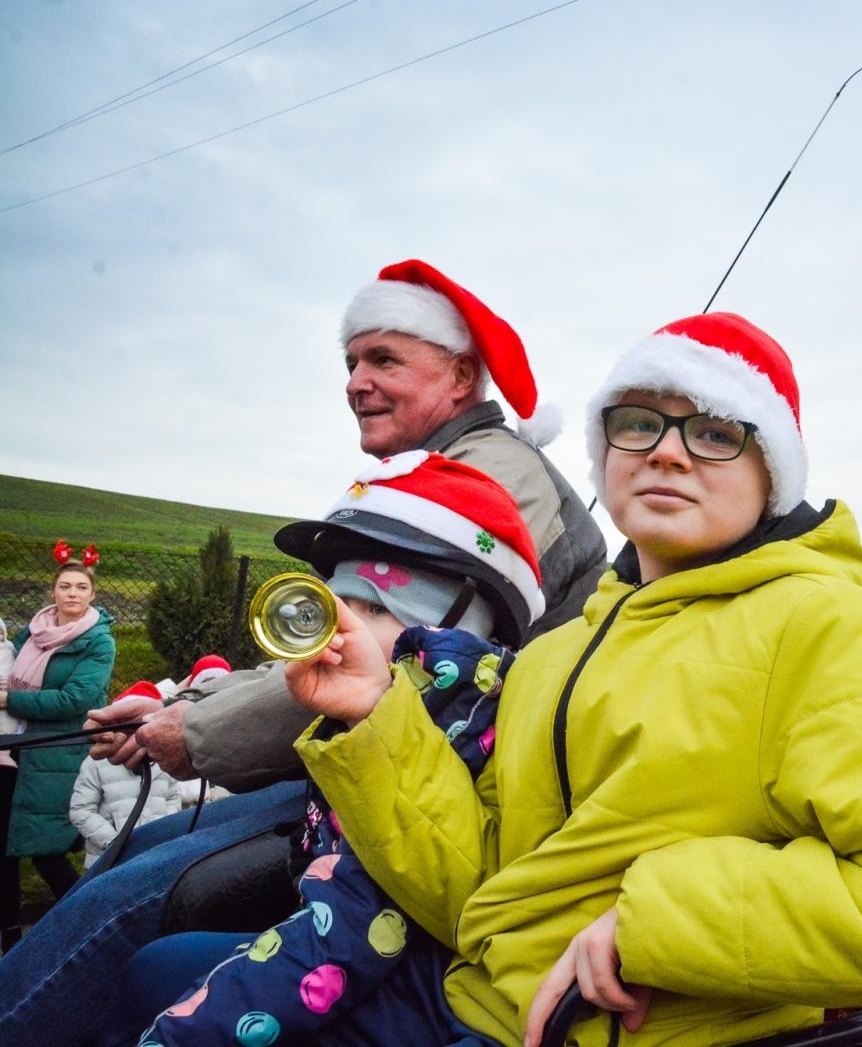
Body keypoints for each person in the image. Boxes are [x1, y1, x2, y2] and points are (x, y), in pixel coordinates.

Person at [286, 313, 862, 1045]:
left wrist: (656, 925)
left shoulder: (825, 626)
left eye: (715, 432)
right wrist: (374, 713)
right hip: (468, 1005)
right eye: (637, 424)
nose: (667, 451)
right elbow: (483, 897)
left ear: (772, 473)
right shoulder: (553, 654)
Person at [0, 261, 607, 1042]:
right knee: (140, 854)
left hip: (441, 785)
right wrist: (179, 705)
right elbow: (323, 640)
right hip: (377, 764)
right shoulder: (427, 476)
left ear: (461, 376)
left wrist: (194, 733)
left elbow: (376, 666)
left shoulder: (489, 478)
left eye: (384, 359)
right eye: (351, 362)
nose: (356, 382)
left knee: (124, 904)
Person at [106, 453, 542, 1046]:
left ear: (458, 629)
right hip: (350, 943)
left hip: (409, 979)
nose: (342, 630)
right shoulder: (393, 702)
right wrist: (180, 702)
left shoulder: (455, 732)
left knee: (146, 959)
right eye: (334, 605)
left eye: (377, 608)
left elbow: (349, 932)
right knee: (153, 967)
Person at [1, 549, 115, 950]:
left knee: (46, 850)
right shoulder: (30, 634)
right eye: (65, 586)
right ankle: (10, 940)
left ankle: (91, 926)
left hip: (56, 754)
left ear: (92, 594)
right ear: (53, 591)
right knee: (5, 850)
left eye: (81, 587)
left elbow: (74, 700)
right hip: (12, 750)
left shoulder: (98, 643)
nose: (72, 593)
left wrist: (9, 700)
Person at [69, 683, 185, 870]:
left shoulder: (163, 759)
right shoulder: (96, 763)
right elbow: (81, 810)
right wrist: (114, 842)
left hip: (157, 855)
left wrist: (166, 831)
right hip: (110, 862)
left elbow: (172, 797)